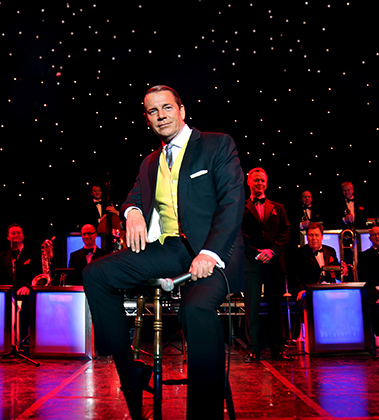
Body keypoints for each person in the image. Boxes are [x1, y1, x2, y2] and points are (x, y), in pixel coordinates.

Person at [83, 85, 244, 420]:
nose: (161, 116)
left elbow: (231, 203)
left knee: (195, 309)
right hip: (171, 249)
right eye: (153, 112)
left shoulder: (216, 144)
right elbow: (132, 198)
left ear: (182, 110)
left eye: (166, 108)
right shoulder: (150, 162)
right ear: (147, 119)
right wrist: (133, 213)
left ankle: (204, 414)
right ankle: (130, 372)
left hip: (216, 253)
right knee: (95, 274)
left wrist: (210, 253)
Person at [242, 167, 291, 362]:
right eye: (256, 181)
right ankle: (253, 349)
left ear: (266, 182)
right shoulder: (242, 206)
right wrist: (256, 253)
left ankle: (277, 349)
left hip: (274, 263)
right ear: (249, 182)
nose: (259, 184)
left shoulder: (278, 207)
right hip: (252, 263)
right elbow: (239, 233)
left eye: (262, 180)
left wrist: (272, 251)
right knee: (251, 308)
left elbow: (286, 232)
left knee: (275, 308)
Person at [0, 224, 43, 343]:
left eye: (18, 233)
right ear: (8, 237)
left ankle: (23, 343)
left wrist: (27, 286)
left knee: (24, 321)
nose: (16, 235)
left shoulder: (33, 254)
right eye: (13, 233)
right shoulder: (1, 256)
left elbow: (38, 274)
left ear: (23, 236)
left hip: (27, 295)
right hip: (8, 295)